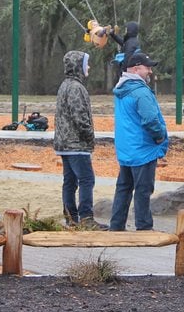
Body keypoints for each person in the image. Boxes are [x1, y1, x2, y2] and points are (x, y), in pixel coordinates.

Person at [110, 52, 168, 231]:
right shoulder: (140, 92)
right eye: (147, 67)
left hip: (127, 149)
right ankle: (144, 227)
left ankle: (116, 225)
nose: (150, 71)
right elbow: (150, 119)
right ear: (136, 69)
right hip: (143, 149)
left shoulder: (121, 89)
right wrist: (159, 137)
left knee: (124, 188)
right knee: (143, 190)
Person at [54, 50, 103, 228]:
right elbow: (80, 117)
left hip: (64, 144)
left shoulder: (65, 85)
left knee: (69, 182)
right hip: (76, 144)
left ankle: (71, 218)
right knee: (86, 179)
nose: (88, 66)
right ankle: (86, 219)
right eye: (86, 63)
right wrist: (89, 136)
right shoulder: (76, 88)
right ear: (78, 66)